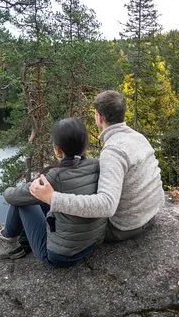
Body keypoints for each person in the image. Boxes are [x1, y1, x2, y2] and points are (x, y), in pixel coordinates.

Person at [29, 90, 164, 242]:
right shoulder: (138, 137)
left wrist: (53, 198)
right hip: (150, 216)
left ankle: (26, 239)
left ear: (99, 117)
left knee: (50, 206)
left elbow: (106, 206)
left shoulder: (113, 151)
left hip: (122, 228)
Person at [0, 118, 107, 267]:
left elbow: (11, 196)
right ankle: (23, 239)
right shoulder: (97, 165)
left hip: (60, 256)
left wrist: (9, 189)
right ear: (85, 145)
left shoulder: (56, 176)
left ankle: (7, 244)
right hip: (91, 243)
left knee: (22, 203)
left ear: (58, 150)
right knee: (43, 200)